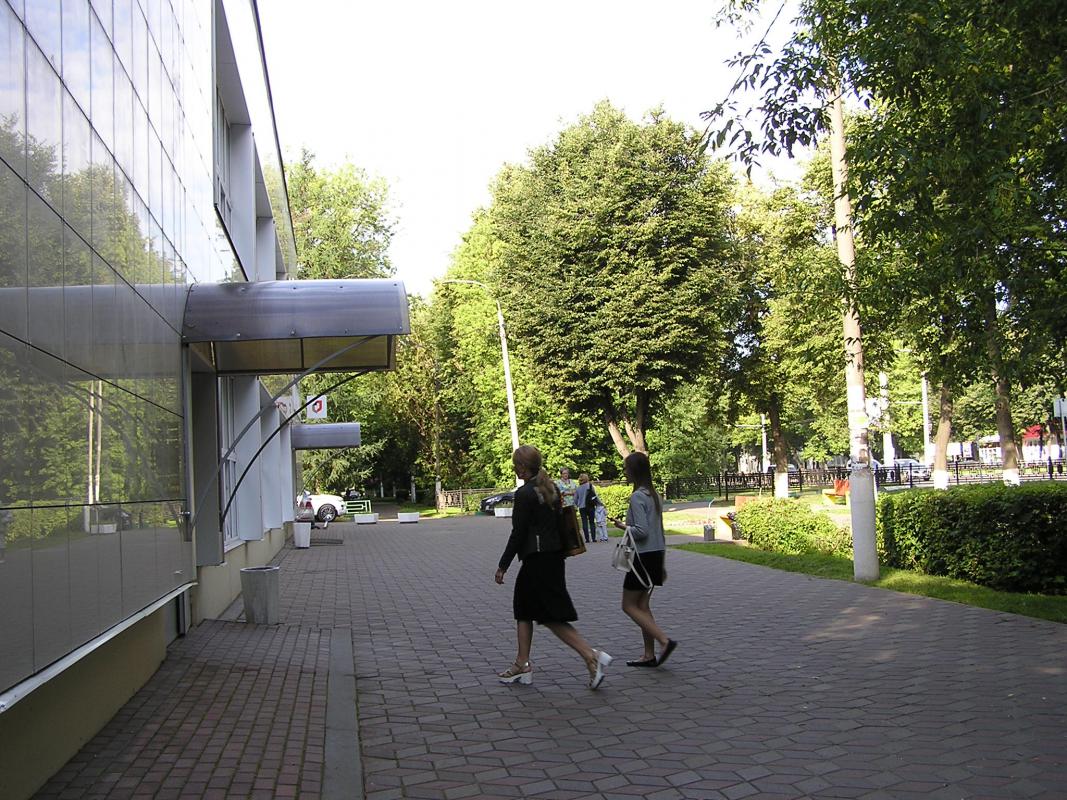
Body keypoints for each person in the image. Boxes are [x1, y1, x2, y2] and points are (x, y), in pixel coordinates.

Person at [495, 446, 613, 689]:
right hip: (554, 558)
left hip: (537, 560)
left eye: (516, 465)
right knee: (525, 609)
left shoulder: (525, 494)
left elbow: (518, 533)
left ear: (523, 468)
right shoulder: (551, 488)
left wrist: (503, 565)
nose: (514, 469)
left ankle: (591, 655)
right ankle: (522, 664)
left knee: (550, 616)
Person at [610, 451, 677, 668]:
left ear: (635, 471)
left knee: (628, 605)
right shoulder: (654, 495)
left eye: (626, 468)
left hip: (641, 557)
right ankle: (649, 655)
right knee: (642, 606)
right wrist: (662, 563)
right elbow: (659, 531)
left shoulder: (638, 497)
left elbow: (641, 531)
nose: (624, 472)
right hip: (655, 555)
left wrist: (623, 527)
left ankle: (664, 641)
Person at [574, 473, 599, 544]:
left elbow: (575, 499)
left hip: (582, 507)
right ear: (587, 478)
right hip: (590, 506)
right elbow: (595, 496)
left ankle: (587, 539)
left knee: (584, 522)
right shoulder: (590, 486)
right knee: (592, 522)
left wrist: (578, 504)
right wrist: (599, 504)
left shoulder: (578, 488)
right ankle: (593, 538)